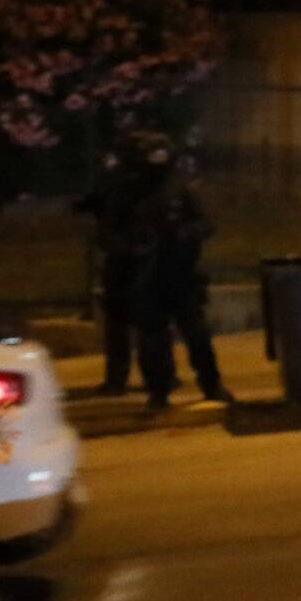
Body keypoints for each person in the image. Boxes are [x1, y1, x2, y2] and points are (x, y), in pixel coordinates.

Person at [114, 130, 231, 411]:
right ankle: (158, 391)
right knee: (153, 340)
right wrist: (134, 247)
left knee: (196, 334)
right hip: (147, 276)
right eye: (152, 156)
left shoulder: (180, 189)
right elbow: (110, 232)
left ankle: (211, 383)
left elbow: (206, 224)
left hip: (181, 274)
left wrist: (182, 234)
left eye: (161, 156)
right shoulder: (129, 193)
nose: (157, 162)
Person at [70, 143, 148, 396]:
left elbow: (90, 204)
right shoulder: (140, 181)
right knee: (140, 322)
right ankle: (154, 377)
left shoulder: (118, 181)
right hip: (133, 256)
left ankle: (119, 380)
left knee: (123, 323)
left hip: (126, 256)